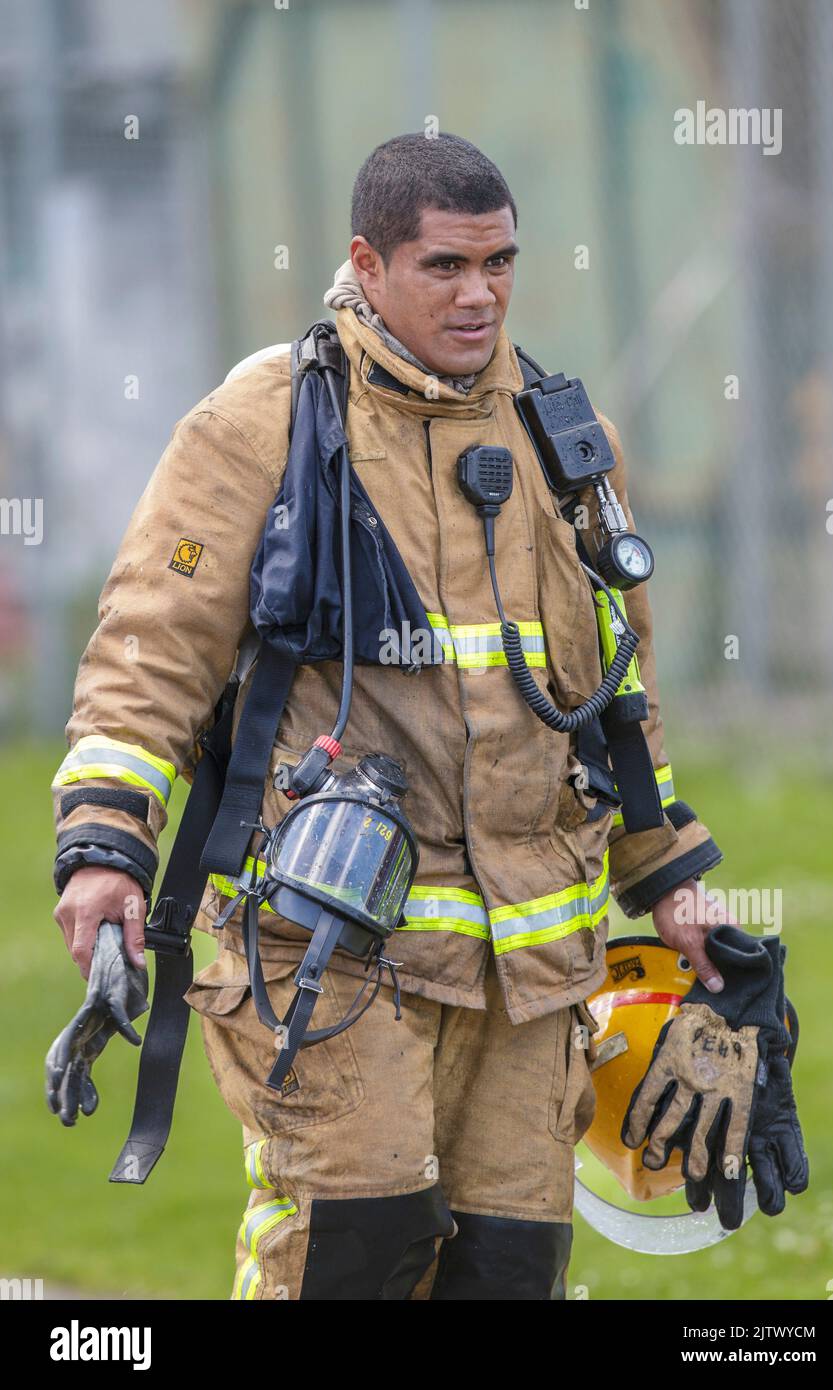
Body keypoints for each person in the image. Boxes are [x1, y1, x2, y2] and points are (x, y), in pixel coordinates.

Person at [51, 132, 725, 1301]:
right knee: (351, 1256)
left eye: (499, 263)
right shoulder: (259, 425)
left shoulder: (568, 445)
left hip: (532, 965)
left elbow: (617, 701)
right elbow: (150, 645)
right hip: (325, 953)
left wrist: (668, 874)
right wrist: (106, 844)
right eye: (445, 267)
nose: (481, 295)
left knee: (508, 1273)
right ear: (365, 262)